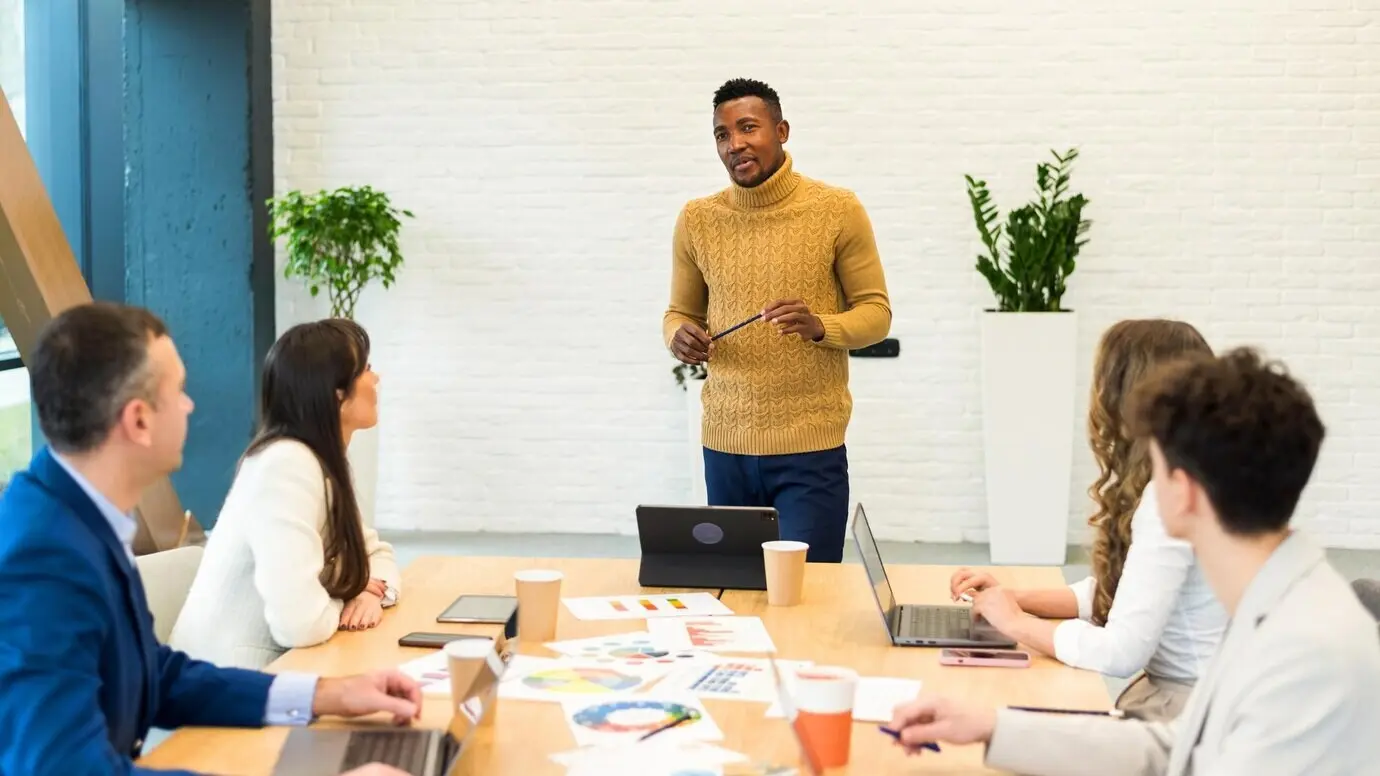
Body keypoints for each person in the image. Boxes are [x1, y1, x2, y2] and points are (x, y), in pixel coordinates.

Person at [887, 347, 1380, 775]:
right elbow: (1174, 749)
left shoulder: (1305, 652)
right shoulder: (1279, 602)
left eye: (1156, 470)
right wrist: (991, 726)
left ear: (1183, 493)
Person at [0, 302, 418, 776]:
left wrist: (327, 694)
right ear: (139, 421)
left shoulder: (78, 516)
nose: (189, 405)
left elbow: (157, 677)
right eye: (178, 391)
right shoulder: (42, 556)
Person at [947, 320, 1226, 721]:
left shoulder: (1170, 500)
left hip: (1191, 715)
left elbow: (1120, 651)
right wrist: (1015, 597)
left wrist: (1015, 622)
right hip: (1204, 696)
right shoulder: (1201, 475)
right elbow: (1132, 593)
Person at [663, 77, 891, 563]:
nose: (734, 144)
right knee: (734, 589)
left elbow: (876, 314)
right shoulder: (696, 219)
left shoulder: (837, 210)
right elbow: (679, 313)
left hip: (810, 450)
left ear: (782, 131)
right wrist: (678, 336)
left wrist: (820, 326)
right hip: (725, 446)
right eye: (722, 134)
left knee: (806, 589)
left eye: (748, 127)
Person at [171, 319, 401, 669]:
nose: (376, 378)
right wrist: (351, 594)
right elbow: (300, 624)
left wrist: (372, 593)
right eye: (366, 369)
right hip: (229, 679)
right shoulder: (285, 466)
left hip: (279, 668)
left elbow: (375, 553)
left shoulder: (318, 461)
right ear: (337, 393)